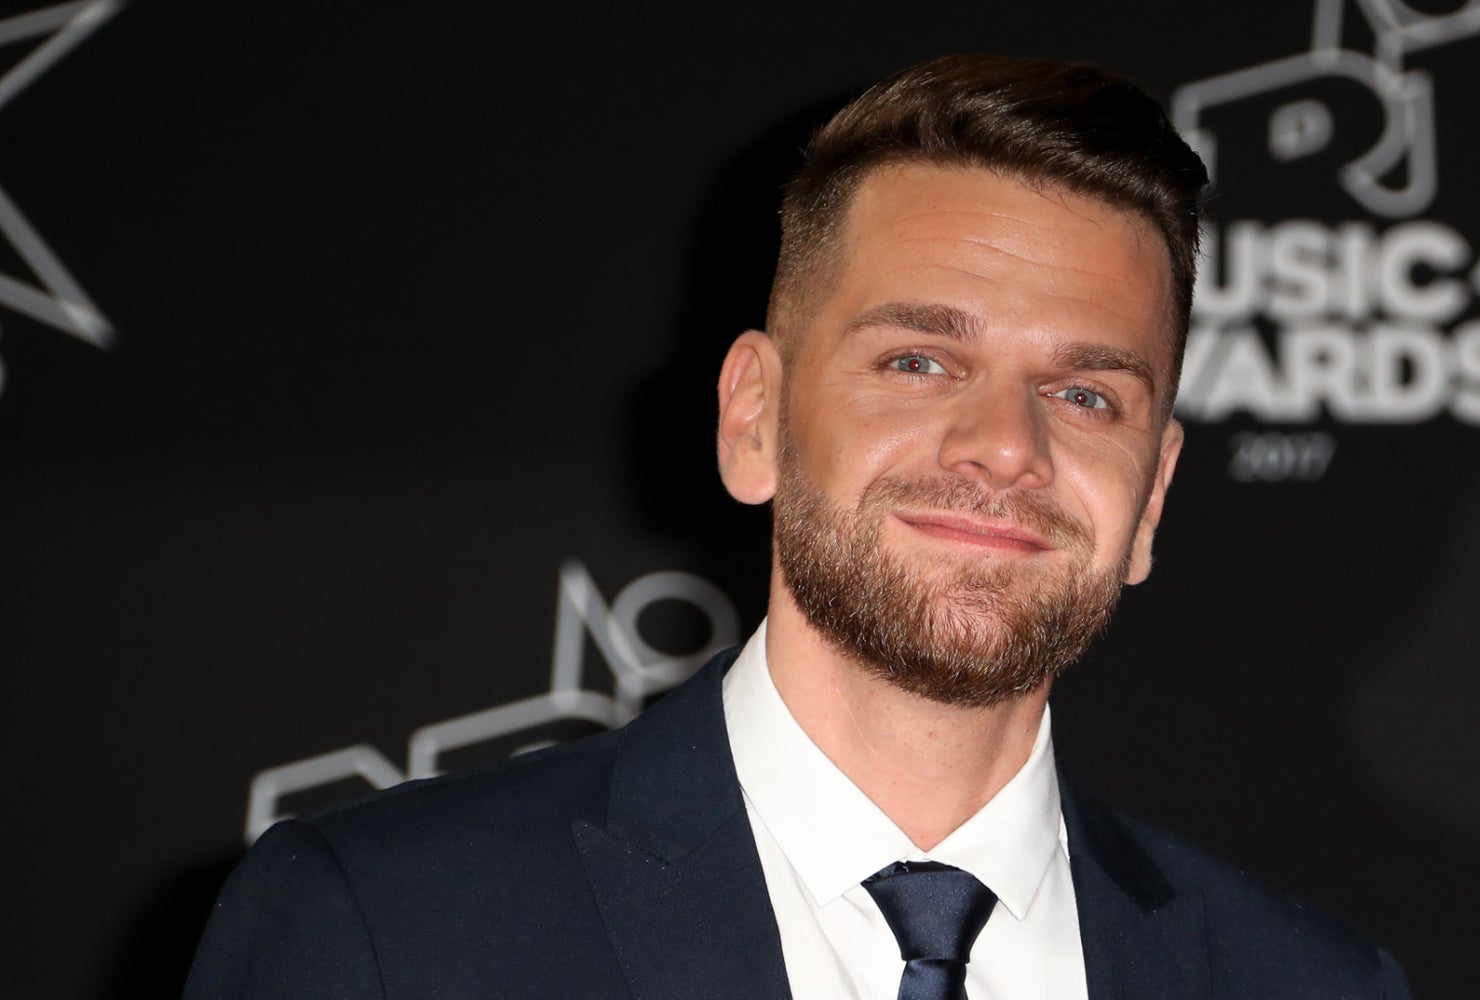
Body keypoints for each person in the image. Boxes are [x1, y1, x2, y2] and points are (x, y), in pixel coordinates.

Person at [182, 53, 1411, 999]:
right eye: (920, 360)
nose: (1004, 444)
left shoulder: (1302, 982)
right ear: (753, 418)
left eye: (1086, 394)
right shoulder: (391, 930)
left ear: (1148, 498)